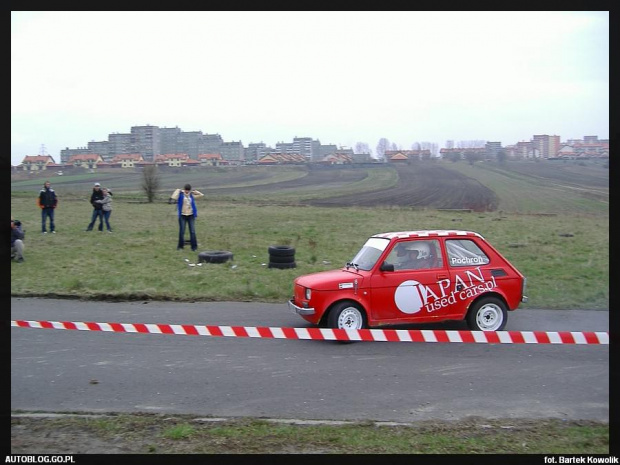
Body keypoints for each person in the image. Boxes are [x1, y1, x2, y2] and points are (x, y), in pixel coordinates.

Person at [170, 183, 204, 251]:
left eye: (188, 190)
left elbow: (201, 195)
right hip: (183, 215)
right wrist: (178, 190)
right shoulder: (180, 195)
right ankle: (180, 247)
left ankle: (194, 247)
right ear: (184, 189)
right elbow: (173, 197)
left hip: (191, 215)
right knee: (182, 231)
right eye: (186, 190)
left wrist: (196, 192)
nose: (187, 191)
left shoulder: (191, 195)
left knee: (192, 231)